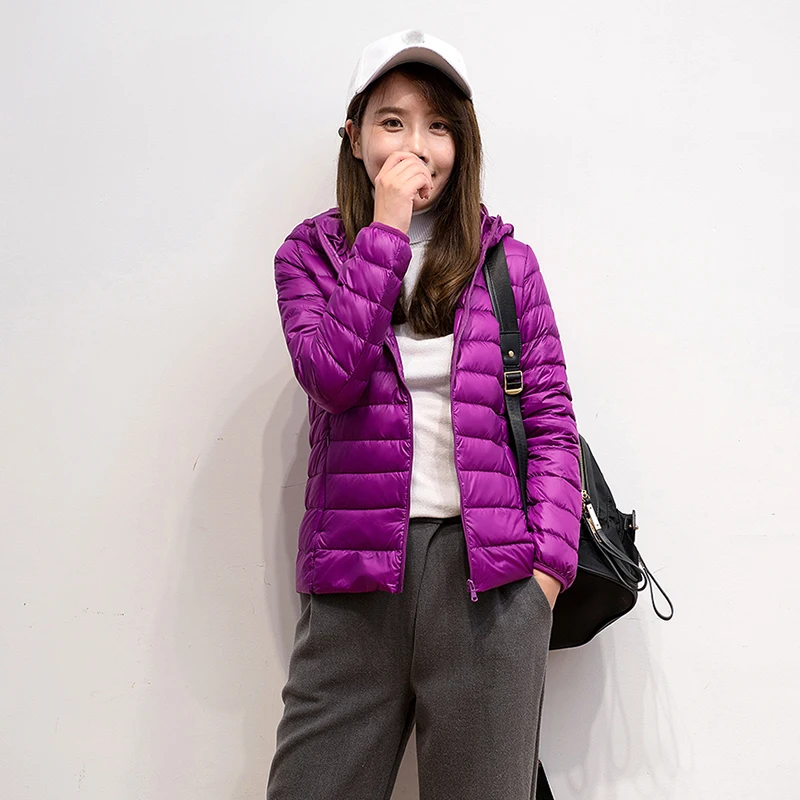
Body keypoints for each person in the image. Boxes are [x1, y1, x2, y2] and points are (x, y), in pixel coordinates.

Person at [266, 28, 581, 800]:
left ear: (461, 142)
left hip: (489, 583)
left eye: (438, 124)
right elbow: (332, 377)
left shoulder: (506, 264)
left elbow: (550, 422)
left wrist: (544, 575)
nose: (416, 144)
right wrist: (384, 233)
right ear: (355, 137)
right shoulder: (310, 258)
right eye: (393, 121)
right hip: (353, 581)